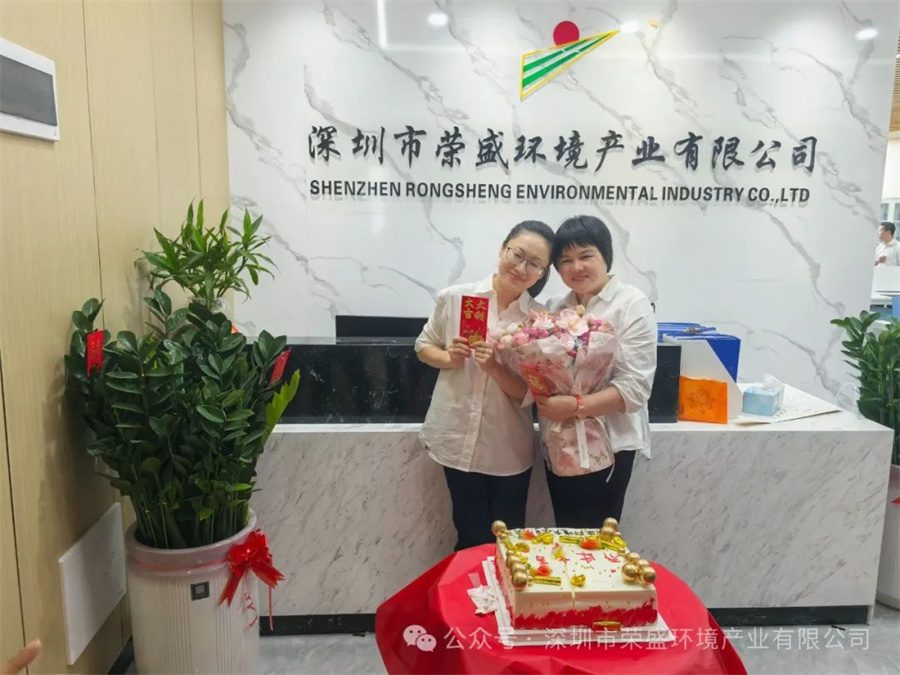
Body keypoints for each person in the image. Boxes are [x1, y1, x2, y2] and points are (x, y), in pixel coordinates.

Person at [416, 221, 554, 550]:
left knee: (509, 544)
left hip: (507, 448)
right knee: (469, 537)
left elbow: (532, 393)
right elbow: (423, 346)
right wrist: (449, 357)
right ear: (502, 249)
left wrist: (494, 367)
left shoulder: (540, 321)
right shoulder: (456, 298)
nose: (522, 268)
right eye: (517, 255)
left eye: (535, 264)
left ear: (542, 273)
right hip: (455, 438)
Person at [536, 215, 656, 528]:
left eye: (586, 256)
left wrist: (574, 407)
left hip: (609, 446)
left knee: (596, 541)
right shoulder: (555, 306)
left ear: (606, 256)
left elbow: (635, 388)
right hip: (560, 443)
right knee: (566, 535)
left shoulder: (631, 304)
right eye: (566, 260)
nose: (576, 267)